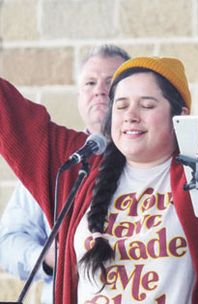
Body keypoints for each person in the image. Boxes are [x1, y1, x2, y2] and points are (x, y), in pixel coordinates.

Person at [0, 0, 198, 303]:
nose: (131, 115)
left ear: (178, 114)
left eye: (147, 105)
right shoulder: (82, 167)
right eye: (122, 105)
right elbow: (11, 117)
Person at [0, 44, 130, 304]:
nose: (99, 90)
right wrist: (52, 257)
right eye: (90, 83)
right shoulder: (60, 164)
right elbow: (8, 243)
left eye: (111, 81)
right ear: (79, 96)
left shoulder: (154, 161)